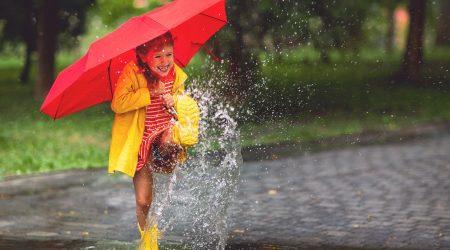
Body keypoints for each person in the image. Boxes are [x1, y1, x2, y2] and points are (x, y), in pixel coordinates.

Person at [108, 32, 199, 249]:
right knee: (143, 200)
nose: (165, 61)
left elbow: (182, 105)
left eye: (169, 54)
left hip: (163, 138)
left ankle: (180, 139)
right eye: (157, 56)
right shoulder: (133, 72)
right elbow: (117, 104)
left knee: (169, 136)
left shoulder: (175, 74)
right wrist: (148, 92)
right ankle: (149, 241)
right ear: (143, 55)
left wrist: (174, 101)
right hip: (141, 143)